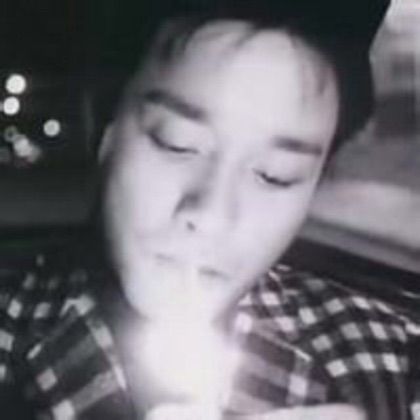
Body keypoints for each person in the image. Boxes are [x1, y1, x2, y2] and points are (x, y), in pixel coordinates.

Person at [1, 0, 419, 419]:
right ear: (105, 130)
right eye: (177, 144)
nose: (212, 215)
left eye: (276, 175)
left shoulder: (389, 357)